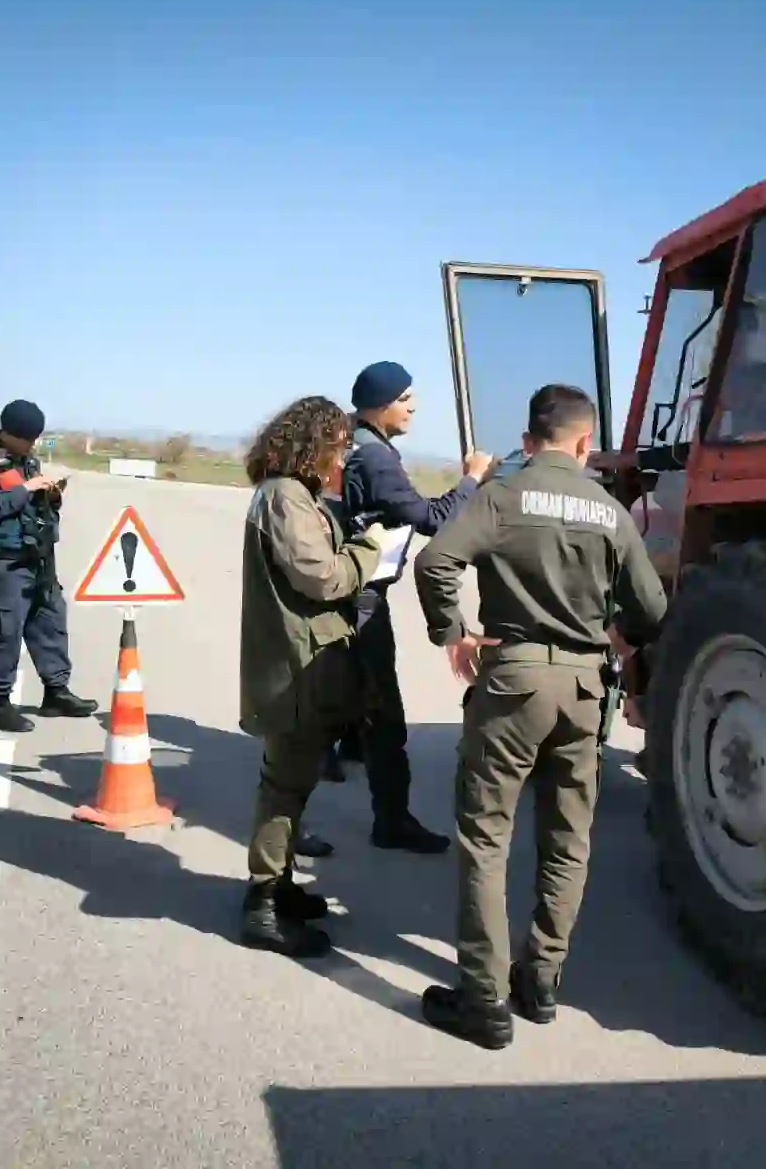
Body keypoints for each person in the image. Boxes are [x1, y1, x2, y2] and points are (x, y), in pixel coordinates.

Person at [411, 384, 668, 1049]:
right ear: (586, 445)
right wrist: (615, 641)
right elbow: (652, 608)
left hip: (514, 680)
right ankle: (542, 980)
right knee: (567, 841)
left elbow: (436, 561)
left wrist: (455, 633)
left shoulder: (502, 495)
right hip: (585, 689)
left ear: (528, 442)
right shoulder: (611, 512)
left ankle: (483, 998)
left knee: (487, 840)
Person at [238, 395, 385, 957]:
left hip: (303, 659)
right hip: (295, 666)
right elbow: (321, 577)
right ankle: (263, 905)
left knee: (293, 783)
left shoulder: (292, 495)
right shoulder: (283, 498)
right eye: (338, 449)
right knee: (283, 786)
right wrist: (370, 551)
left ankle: (281, 888)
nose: (342, 462)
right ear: (312, 447)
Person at [338, 360, 495, 854]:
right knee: (385, 717)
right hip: (362, 601)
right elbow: (430, 519)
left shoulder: (354, 445)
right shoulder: (375, 459)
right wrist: (471, 480)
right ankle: (392, 821)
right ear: (382, 406)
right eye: (406, 400)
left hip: (347, 595)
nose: (414, 407)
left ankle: (340, 751)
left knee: (341, 700)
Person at [0, 399, 97, 732]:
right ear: (8, 433)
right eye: (27, 438)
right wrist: (25, 488)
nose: (32, 444)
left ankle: (56, 692)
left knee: (50, 623)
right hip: (6, 563)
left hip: (39, 558)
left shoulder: (28, 461)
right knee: (3, 632)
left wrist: (49, 494)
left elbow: (34, 506)